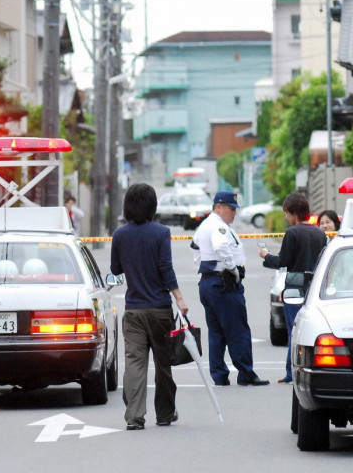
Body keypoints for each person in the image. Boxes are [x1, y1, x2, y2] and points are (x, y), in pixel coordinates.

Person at [111, 183, 189, 430]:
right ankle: (165, 414)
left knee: (134, 362)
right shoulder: (161, 232)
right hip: (159, 309)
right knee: (163, 364)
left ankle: (134, 416)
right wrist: (179, 297)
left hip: (133, 310)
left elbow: (115, 269)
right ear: (153, 206)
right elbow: (166, 267)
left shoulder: (120, 235)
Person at [191, 191, 269, 387]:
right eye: (230, 208)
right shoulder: (218, 226)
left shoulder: (206, 225)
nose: (234, 213)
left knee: (216, 331)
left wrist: (206, 268)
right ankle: (246, 373)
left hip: (209, 282)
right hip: (223, 283)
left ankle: (219, 375)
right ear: (218, 207)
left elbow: (195, 248)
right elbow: (221, 247)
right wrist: (232, 268)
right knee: (238, 329)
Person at [259, 192, 328, 384]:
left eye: (287, 214)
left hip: (294, 289)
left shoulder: (292, 233)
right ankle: (311, 370)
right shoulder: (319, 233)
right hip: (315, 288)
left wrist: (265, 255)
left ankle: (291, 373)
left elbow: (283, 261)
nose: (286, 218)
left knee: (294, 331)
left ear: (294, 213)